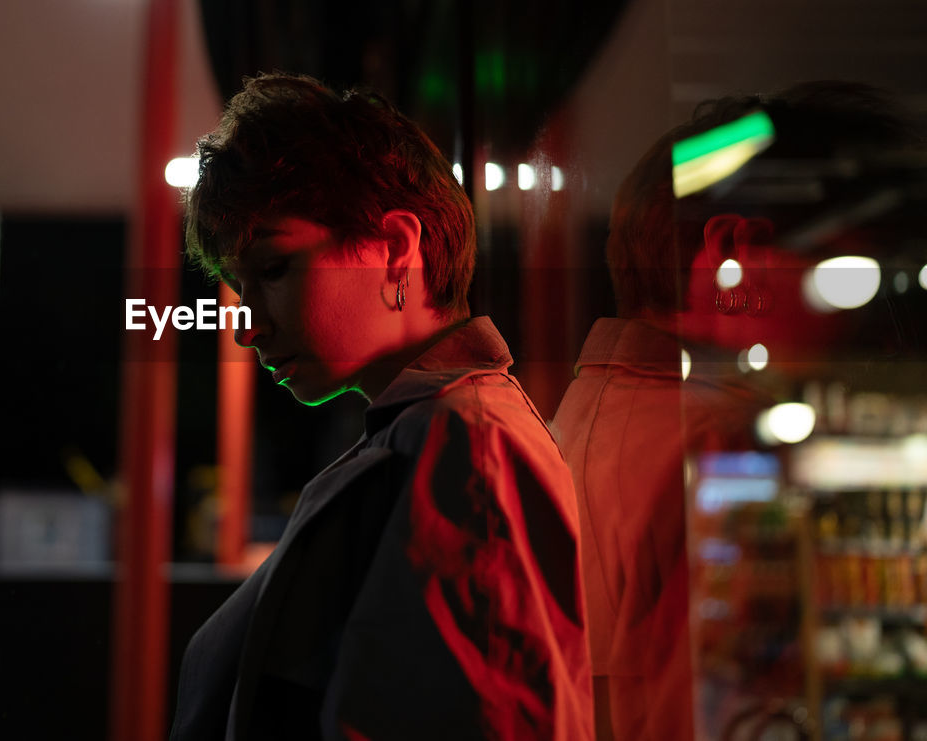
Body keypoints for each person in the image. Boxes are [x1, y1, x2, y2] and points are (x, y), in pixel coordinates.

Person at [170, 73, 593, 740]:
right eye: (237, 286)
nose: (246, 325)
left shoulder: (467, 444)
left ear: (397, 249)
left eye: (274, 269)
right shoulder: (429, 432)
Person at [550, 81, 920, 740]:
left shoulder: (578, 415)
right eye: (846, 265)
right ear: (735, 254)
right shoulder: (725, 448)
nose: (864, 314)